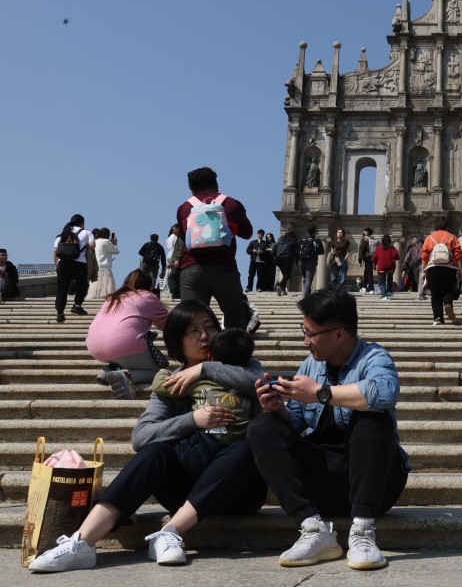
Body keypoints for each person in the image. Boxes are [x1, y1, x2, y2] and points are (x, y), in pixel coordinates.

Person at [28, 300, 267, 572]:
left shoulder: (243, 365)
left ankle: (170, 532)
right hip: (185, 488)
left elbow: (260, 382)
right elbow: (141, 437)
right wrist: (192, 420)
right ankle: (82, 543)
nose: (204, 336)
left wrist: (205, 369)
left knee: (242, 449)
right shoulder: (171, 382)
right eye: (193, 331)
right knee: (154, 452)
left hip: (240, 491)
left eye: (209, 326)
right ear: (178, 342)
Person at [248, 290, 409, 571]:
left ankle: (362, 532)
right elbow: (297, 420)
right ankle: (313, 529)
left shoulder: (374, 356)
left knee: (373, 417)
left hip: (376, 482)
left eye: (310, 333)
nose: (305, 341)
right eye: (304, 331)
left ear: (338, 334)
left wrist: (321, 393)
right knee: (263, 425)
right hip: (323, 479)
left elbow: (384, 392)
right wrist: (279, 410)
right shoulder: (311, 364)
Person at [150, 328, 258, 477]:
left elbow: (159, 385)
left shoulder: (202, 381)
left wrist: (164, 371)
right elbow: (257, 412)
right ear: (248, 360)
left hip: (203, 444)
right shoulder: (248, 387)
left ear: (210, 356)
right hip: (237, 446)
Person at [176, 167, 253, 328]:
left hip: (192, 268)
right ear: (216, 184)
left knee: (192, 320)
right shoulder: (231, 203)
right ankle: (231, 351)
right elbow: (247, 233)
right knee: (234, 315)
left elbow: (185, 238)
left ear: (191, 189)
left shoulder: (184, 207)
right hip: (224, 268)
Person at [87, 269, 170, 399]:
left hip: (95, 347)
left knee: (122, 351)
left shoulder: (112, 298)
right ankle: (128, 376)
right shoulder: (146, 296)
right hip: (123, 345)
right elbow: (168, 324)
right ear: (148, 286)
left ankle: (109, 369)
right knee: (161, 373)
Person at [53, 214, 96, 322]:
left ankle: (60, 313)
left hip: (63, 263)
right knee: (83, 284)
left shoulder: (64, 233)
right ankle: (77, 305)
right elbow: (92, 246)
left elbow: (55, 251)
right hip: (79, 263)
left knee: (62, 288)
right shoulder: (86, 232)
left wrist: (56, 265)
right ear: (82, 223)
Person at [422, 216, 462, 325]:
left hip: (433, 268)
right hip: (448, 268)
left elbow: (424, 255)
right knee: (449, 289)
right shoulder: (452, 237)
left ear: (436, 226)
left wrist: (423, 271)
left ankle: (438, 318)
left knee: (435, 293)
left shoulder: (429, 238)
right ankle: (447, 303)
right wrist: (460, 270)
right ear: (446, 226)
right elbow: (458, 255)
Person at [87, 228, 119, 300]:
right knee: (107, 286)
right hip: (105, 267)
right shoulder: (106, 241)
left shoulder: (95, 241)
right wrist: (115, 242)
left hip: (95, 266)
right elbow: (116, 250)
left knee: (95, 286)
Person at [298, 227, 325, 297]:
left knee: (305, 278)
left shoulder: (303, 240)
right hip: (311, 262)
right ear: (315, 232)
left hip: (301, 261)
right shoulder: (317, 241)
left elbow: (297, 251)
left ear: (307, 233)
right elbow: (322, 252)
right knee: (308, 279)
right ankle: (306, 296)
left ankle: (307, 292)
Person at [372, 235, 400, 300]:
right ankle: (389, 291)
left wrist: (374, 265)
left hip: (382, 266)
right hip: (391, 267)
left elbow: (374, 258)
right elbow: (397, 256)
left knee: (381, 282)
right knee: (390, 278)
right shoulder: (392, 247)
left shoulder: (379, 247)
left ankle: (384, 295)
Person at [275, 228, 297, 295]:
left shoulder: (280, 240)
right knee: (287, 275)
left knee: (284, 274)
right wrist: (297, 260)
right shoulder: (293, 241)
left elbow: (274, 248)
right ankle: (279, 285)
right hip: (287, 259)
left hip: (278, 259)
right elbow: (296, 251)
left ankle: (283, 290)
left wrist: (273, 256)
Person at [163, 225, 182, 298]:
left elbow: (179, 250)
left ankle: (175, 292)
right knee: (174, 277)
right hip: (174, 259)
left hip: (176, 260)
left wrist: (177, 260)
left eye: (174, 229)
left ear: (178, 229)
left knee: (171, 277)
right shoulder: (177, 238)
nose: (173, 231)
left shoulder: (180, 239)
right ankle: (176, 292)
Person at [358, 228, 378, 294]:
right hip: (373, 257)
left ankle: (371, 288)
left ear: (366, 232)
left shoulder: (364, 239)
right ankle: (364, 287)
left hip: (367, 257)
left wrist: (359, 259)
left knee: (369, 273)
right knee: (366, 272)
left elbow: (361, 249)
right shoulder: (373, 239)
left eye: (364, 231)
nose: (363, 232)